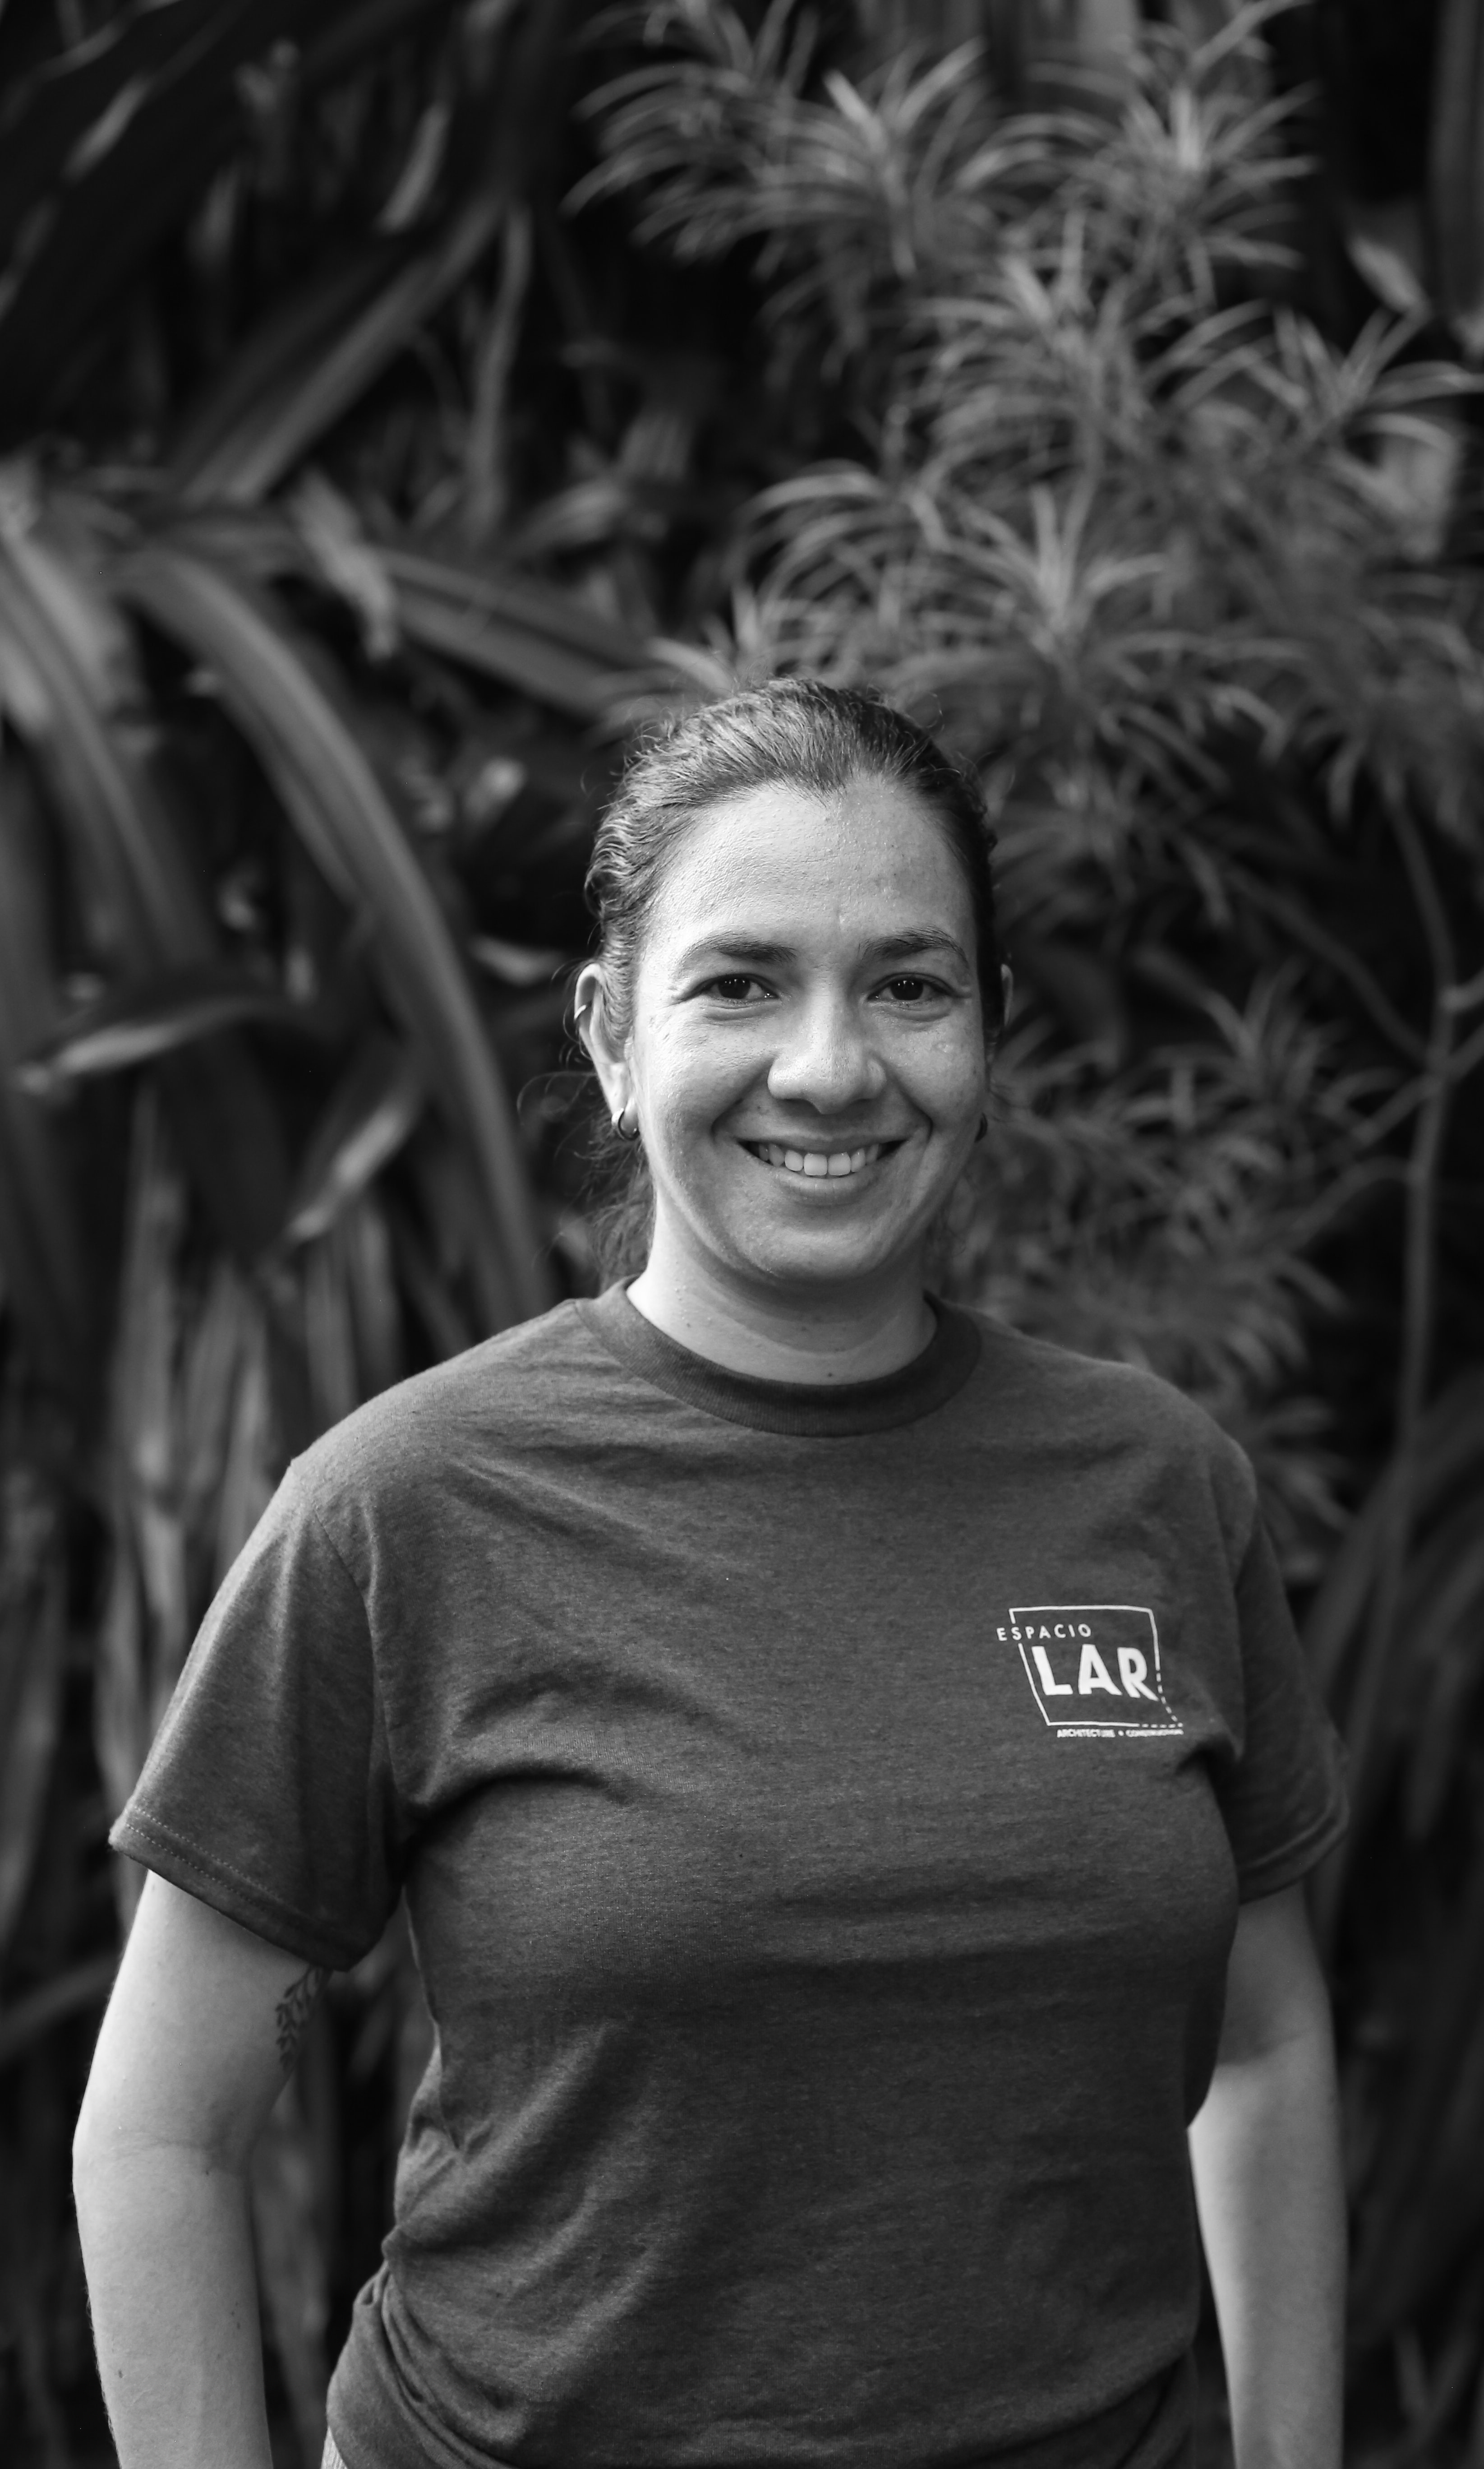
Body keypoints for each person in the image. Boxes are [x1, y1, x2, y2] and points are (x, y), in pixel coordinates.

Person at [74, 680, 1347, 2469]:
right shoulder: (405, 1506)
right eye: (741, 981)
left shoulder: (1156, 1489)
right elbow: (159, 2130)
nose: (831, 1067)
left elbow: (1269, 2048)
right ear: (610, 1033)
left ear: (989, 1029)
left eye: (906, 983)